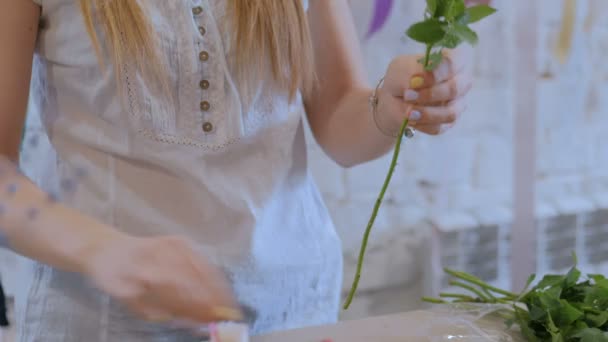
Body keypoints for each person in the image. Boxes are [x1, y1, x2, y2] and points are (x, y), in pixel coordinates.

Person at [0, 0, 472, 341]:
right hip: (104, 320)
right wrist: (108, 252)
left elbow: (336, 120)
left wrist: (387, 107)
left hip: (294, 312)